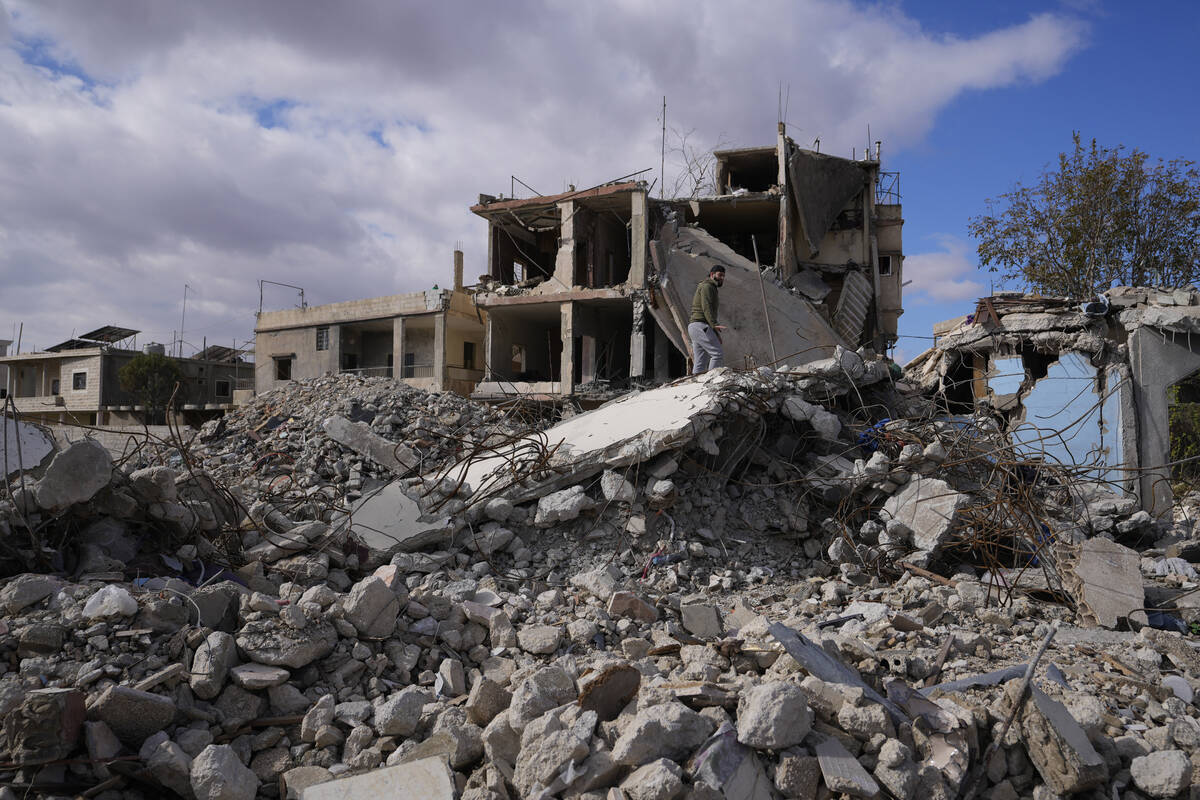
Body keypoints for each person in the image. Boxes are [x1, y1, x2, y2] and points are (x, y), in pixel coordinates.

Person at [688, 265, 726, 373]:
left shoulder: (709, 286)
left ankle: (696, 385)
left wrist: (715, 333)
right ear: (712, 274)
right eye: (720, 275)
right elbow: (706, 307)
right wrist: (714, 324)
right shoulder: (707, 286)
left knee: (700, 361)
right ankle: (710, 382)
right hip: (701, 326)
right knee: (717, 354)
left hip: (695, 327)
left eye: (723, 276)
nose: (722, 278)